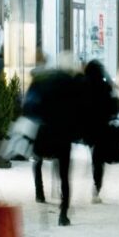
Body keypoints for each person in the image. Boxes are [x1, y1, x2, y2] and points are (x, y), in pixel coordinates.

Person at [25, 52, 82, 226]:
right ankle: (63, 213)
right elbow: (78, 109)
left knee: (38, 160)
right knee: (64, 174)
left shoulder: (42, 82)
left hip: (43, 131)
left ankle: (39, 192)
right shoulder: (71, 84)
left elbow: (29, 106)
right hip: (63, 132)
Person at [81, 60, 118, 204]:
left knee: (94, 153)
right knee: (99, 160)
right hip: (101, 127)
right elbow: (113, 109)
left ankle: (94, 172)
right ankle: (96, 187)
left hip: (88, 127)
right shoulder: (105, 87)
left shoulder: (82, 85)